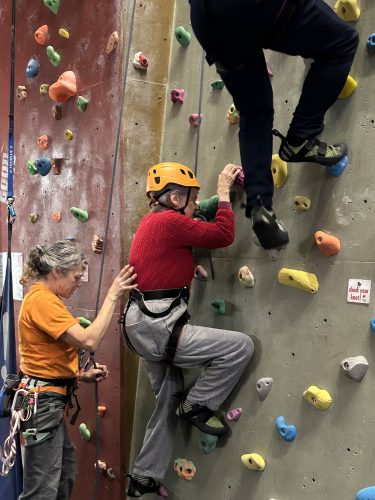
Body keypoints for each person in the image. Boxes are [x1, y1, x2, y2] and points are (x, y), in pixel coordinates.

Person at [122, 162, 254, 497]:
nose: (195, 206)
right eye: (191, 200)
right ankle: (198, 404)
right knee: (240, 347)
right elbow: (223, 235)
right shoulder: (167, 221)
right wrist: (224, 192)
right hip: (159, 327)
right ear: (175, 197)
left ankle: (143, 476)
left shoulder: (154, 222)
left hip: (141, 325)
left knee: (167, 399)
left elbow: (185, 236)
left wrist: (188, 260)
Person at [189, 0, 359, 250]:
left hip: (206, 22)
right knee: (341, 42)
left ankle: (260, 205)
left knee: (254, 111)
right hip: (251, 6)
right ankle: (302, 137)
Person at [17, 241, 137, 499]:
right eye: (76, 277)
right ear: (57, 271)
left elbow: (43, 359)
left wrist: (80, 375)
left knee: (63, 477)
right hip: (43, 405)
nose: (79, 283)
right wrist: (113, 294)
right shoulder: (41, 300)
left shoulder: (49, 299)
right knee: (42, 489)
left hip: (48, 402)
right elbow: (88, 340)